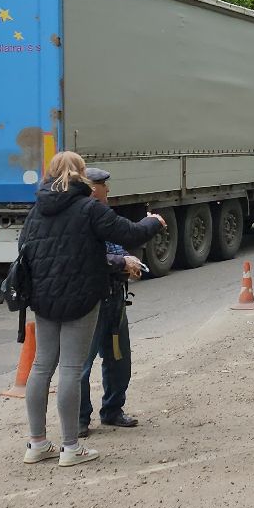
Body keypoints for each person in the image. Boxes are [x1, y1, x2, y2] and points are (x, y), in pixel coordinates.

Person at [18, 151, 164, 467]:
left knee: (42, 366)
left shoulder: (36, 211)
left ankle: (37, 443)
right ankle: (71, 447)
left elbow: (24, 252)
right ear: (81, 175)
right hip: (81, 297)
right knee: (71, 368)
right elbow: (129, 233)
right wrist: (152, 222)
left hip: (43, 299)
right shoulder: (88, 209)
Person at [77, 168, 146, 436]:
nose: (108, 190)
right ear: (93, 189)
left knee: (119, 357)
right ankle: (81, 420)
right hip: (91, 301)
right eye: (104, 186)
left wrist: (131, 262)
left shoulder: (107, 216)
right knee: (82, 363)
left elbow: (119, 245)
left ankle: (113, 410)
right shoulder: (81, 218)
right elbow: (90, 258)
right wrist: (120, 262)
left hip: (115, 297)